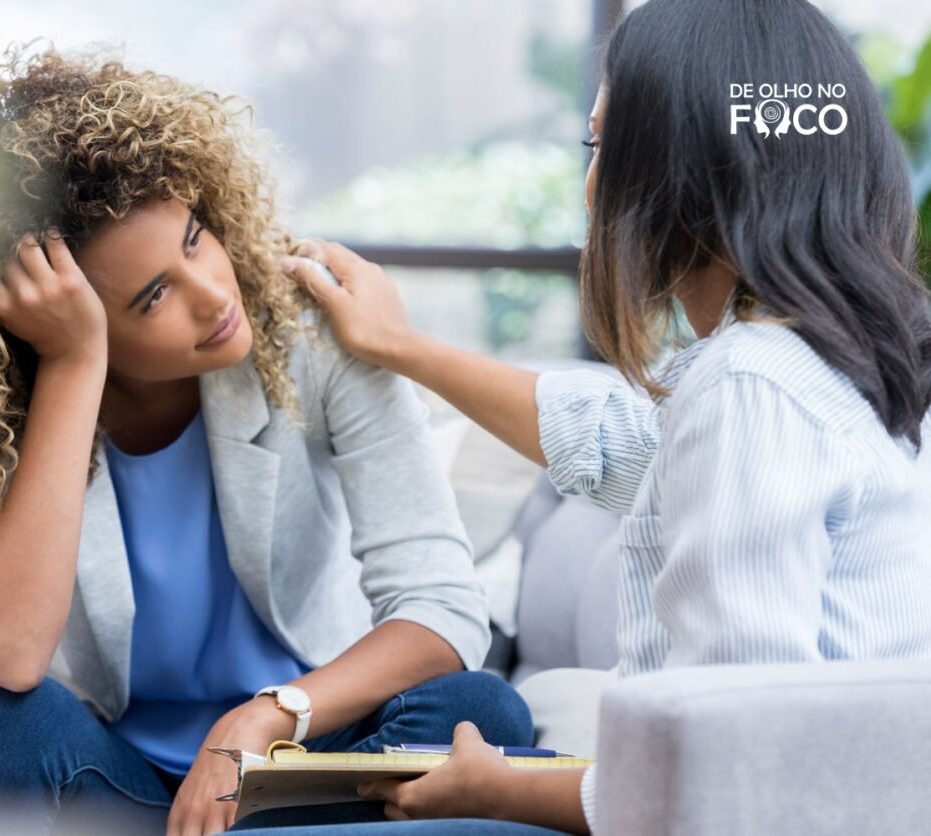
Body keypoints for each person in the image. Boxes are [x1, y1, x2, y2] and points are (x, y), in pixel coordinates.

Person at [272, 0, 931, 832]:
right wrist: (402, 347)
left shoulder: (750, 386)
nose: (592, 184)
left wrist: (494, 789)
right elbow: (626, 446)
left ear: (687, 169)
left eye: (600, 145)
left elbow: (730, 766)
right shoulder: (843, 369)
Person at [0, 45, 534, 836]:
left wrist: (264, 717)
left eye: (193, 238)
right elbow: (12, 657)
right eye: (153, 297)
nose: (215, 293)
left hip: (307, 767)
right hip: (124, 785)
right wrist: (75, 366)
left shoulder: (313, 336)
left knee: (480, 710)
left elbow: (442, 605)